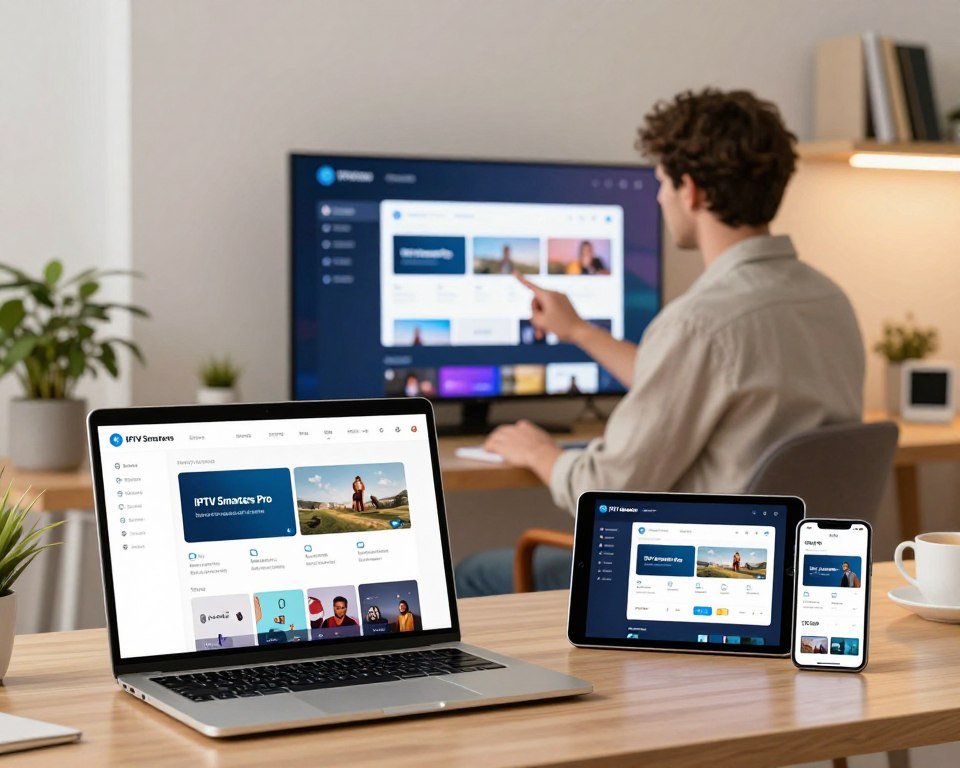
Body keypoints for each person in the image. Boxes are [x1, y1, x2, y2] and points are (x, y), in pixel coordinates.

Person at [455, 89, 864, 597]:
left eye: (661, 183)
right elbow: (693, 382)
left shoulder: (701, 322)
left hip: (697, 581)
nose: (658, 198)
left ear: (690, 190)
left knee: (470, 575)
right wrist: (581, 331)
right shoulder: (828, 299)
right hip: (791, 582)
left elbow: (607, 488)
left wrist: (542, 453)